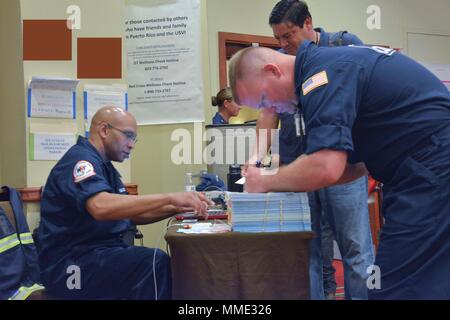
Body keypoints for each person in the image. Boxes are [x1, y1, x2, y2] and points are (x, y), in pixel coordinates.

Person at [229, 43, 450, 299]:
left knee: (394, 286)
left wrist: (265, 182)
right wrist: (288, 170)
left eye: (265, 100)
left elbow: (326, 167)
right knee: (427, 282)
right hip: (422, 168)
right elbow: (351, 167)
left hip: (432, 167)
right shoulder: (324, 68)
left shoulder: (320, 77)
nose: (273, 110)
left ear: (273, 71)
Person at [255, 0, 374, 300]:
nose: (284, 44)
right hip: (299, 171)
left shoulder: (344, 45)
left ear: (308, 23)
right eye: (278, 39)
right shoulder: (280, 62)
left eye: (289, 35)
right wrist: (258, 158)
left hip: (342, 170)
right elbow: (268, 112)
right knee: (307, 250)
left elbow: (368, 102)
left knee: (356, 248)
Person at [37, 106, 213, 300]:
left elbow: (131, 215)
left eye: (134, 139)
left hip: (96, 256)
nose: (131, 145)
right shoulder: (81, 161)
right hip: (69, 267)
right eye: (128, 136)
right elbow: (100, 207)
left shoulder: (105, 166)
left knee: (162, 263)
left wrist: (178, 208)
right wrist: (170, 197)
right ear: (104, 130)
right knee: (153, 262)